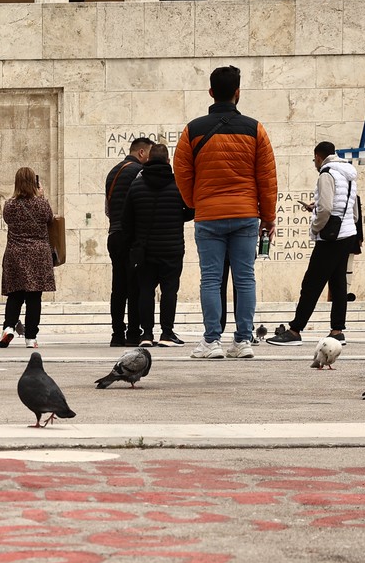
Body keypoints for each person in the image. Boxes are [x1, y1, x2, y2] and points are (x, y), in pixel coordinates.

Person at [174, 64, 277, 360]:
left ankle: (211, 341)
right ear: (237, 93)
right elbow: (267, 178)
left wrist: (196, 202)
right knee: (245, 278)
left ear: (210, 92)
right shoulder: (255, 129)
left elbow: (182, 172)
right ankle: (244, 340)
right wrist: (267, 216)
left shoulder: (193, 130)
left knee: (211, 279)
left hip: (208, 215)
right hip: (246, 214)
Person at [267, 141, 359, 346]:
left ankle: (295, 330)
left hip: (331, 238)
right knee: (338, 284)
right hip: (347, 234)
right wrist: (318, 208)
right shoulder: (348, 172)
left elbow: (326, 209)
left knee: (311, 283)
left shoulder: (326, 173)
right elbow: (352, 208)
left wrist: (316, 228)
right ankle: (337, 331)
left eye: (314, 159)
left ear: (318, 156)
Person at [120, 143, 192, 346]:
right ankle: (167, 333)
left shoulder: (136, 185)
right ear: (168, 161)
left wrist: (134, 243)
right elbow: (191, 211)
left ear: (149, 160)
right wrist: (177, 216)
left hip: (145, 250)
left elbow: (127, 220)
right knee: (170, 291)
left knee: (145, 291)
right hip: (172, 248)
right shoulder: (178, 185)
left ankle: (146, 335)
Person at [0, 166, 56, 349]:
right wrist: (41, 196)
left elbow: (8, 220)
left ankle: (8, 327)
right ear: (35, 182)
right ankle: (30, 337)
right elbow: (49, 219)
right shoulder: (41, 203)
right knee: (34, 298)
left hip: (15, 253)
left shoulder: (9, 205)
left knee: (14, 295)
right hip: (38, 253)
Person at [105, 137, 153, 346]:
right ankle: (133, 333)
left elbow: (107, 209)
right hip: (130, 236)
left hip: (114, 235)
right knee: (134, 287)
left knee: (118, 288)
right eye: (149, 155)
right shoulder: (138, 172)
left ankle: (117, 334)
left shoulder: (112, 173)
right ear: (141, 153)